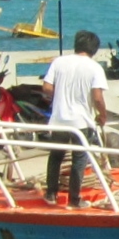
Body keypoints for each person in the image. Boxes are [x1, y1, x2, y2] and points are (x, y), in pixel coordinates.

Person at [41, 30, 108, 208]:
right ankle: (74, 199)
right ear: (94, 49)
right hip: (81, 121)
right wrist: (102, 115)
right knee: (79, 159)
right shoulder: (95, 68)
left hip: (59, 118)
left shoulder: (59, 62)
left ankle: (51, 194)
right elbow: (98, 97)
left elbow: (47, 88)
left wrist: (60, 96)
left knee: (56, 157)